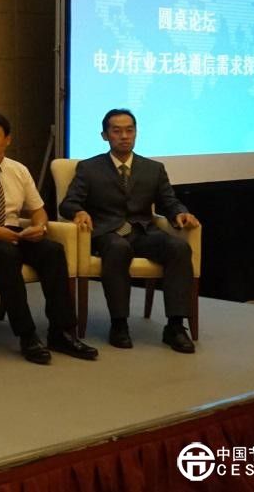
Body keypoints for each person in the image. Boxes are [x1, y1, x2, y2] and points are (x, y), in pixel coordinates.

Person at [0, 112, 98, 364]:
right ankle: (27, 335)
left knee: (52, 251)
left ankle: (61, 332)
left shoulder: (18, 169)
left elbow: (38, 209)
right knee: (6, 255)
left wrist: (39, 227)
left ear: (7, 139)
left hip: (15, 231)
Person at [58, 108, 200, 353]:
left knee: (178, 248)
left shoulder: (153, 168)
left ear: (136, 133)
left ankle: (175, 326)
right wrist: (78, 212)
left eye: (129, 130)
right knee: (118, 248)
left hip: (143, 232)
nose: (124, 136)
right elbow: (68, 203)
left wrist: (180, 213)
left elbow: (169, 202)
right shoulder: (89, 168)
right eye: (117, 131)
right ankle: (119, 323)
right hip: (106, 233)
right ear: (105, 135)